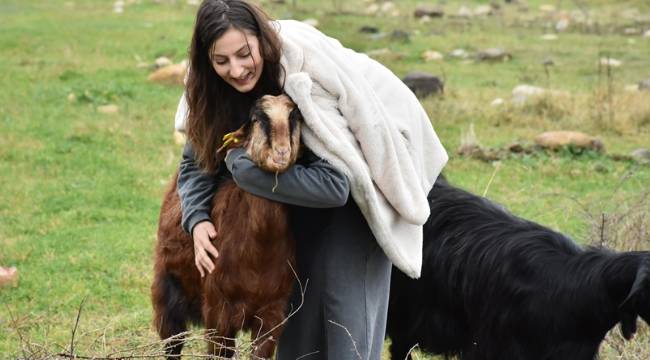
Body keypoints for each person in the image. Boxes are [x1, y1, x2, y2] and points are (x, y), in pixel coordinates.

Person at [174, 0, 448, 358]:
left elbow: (337, 185)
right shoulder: (212, 87)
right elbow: (196, 159)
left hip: (361, 179)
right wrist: (196, 220)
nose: (237, 70)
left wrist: (243, 168)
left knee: (344, 320)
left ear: (261, 40)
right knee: (298, 315)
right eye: (222, 61)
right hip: (298, 189)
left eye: (244, 54)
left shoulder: (306, 78)